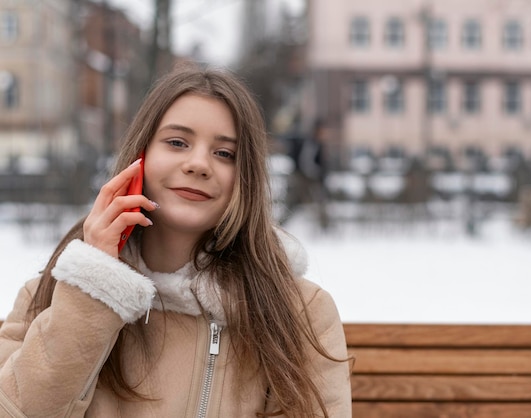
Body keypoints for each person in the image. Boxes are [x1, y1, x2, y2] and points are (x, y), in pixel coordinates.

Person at [0, 64, 351, 417]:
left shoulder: (301, 312)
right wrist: (94, 288)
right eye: (177, 142)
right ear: (139, 156)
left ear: (246, 178)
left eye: (225, 153)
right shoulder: (49, 298)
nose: (199, 164)